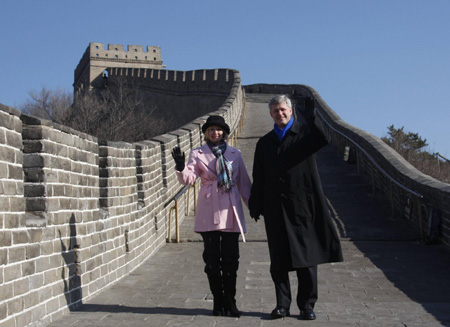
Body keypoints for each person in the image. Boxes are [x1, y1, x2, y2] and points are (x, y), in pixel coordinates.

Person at [249, 95, 343, 320]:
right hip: (275, 207)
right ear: (270, 114)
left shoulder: (304, 134)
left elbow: (323, 139)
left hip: (302, 207)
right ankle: (282, 305)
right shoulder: (264, 143)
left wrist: (311, 118)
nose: (279, 114)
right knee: (279, 258)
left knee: (306, 258)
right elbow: (259, 175)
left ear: (291, 111)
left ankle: (307, 305)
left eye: (283, 110)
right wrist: (256, 202)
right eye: (275, 111)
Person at [171, 115, 251, 317]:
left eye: (218, 129)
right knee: (212, 260)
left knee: (231, 259)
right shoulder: (197, 153)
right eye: (211, 130)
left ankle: (230, 301)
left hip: (230, 210)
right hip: (209, 210)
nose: (215, 133)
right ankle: (218, 300)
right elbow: (189, 179)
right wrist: (181, 168)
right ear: (206, 133)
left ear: (224, 132)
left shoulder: (235, 154)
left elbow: (243, 183)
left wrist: (254, 206)